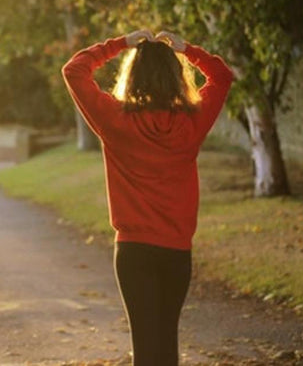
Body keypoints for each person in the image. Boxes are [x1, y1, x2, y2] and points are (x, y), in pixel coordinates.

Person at [61, 30, 233, 365]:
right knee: (167, 344)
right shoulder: (192, 122)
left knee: (145, 346)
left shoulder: (116, 120)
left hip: (133, 251)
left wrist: (120, 43)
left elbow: (74, 70)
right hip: (176, 251)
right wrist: (188, 49)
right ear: (175, 76)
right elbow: (223, 76)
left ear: (133, 75)